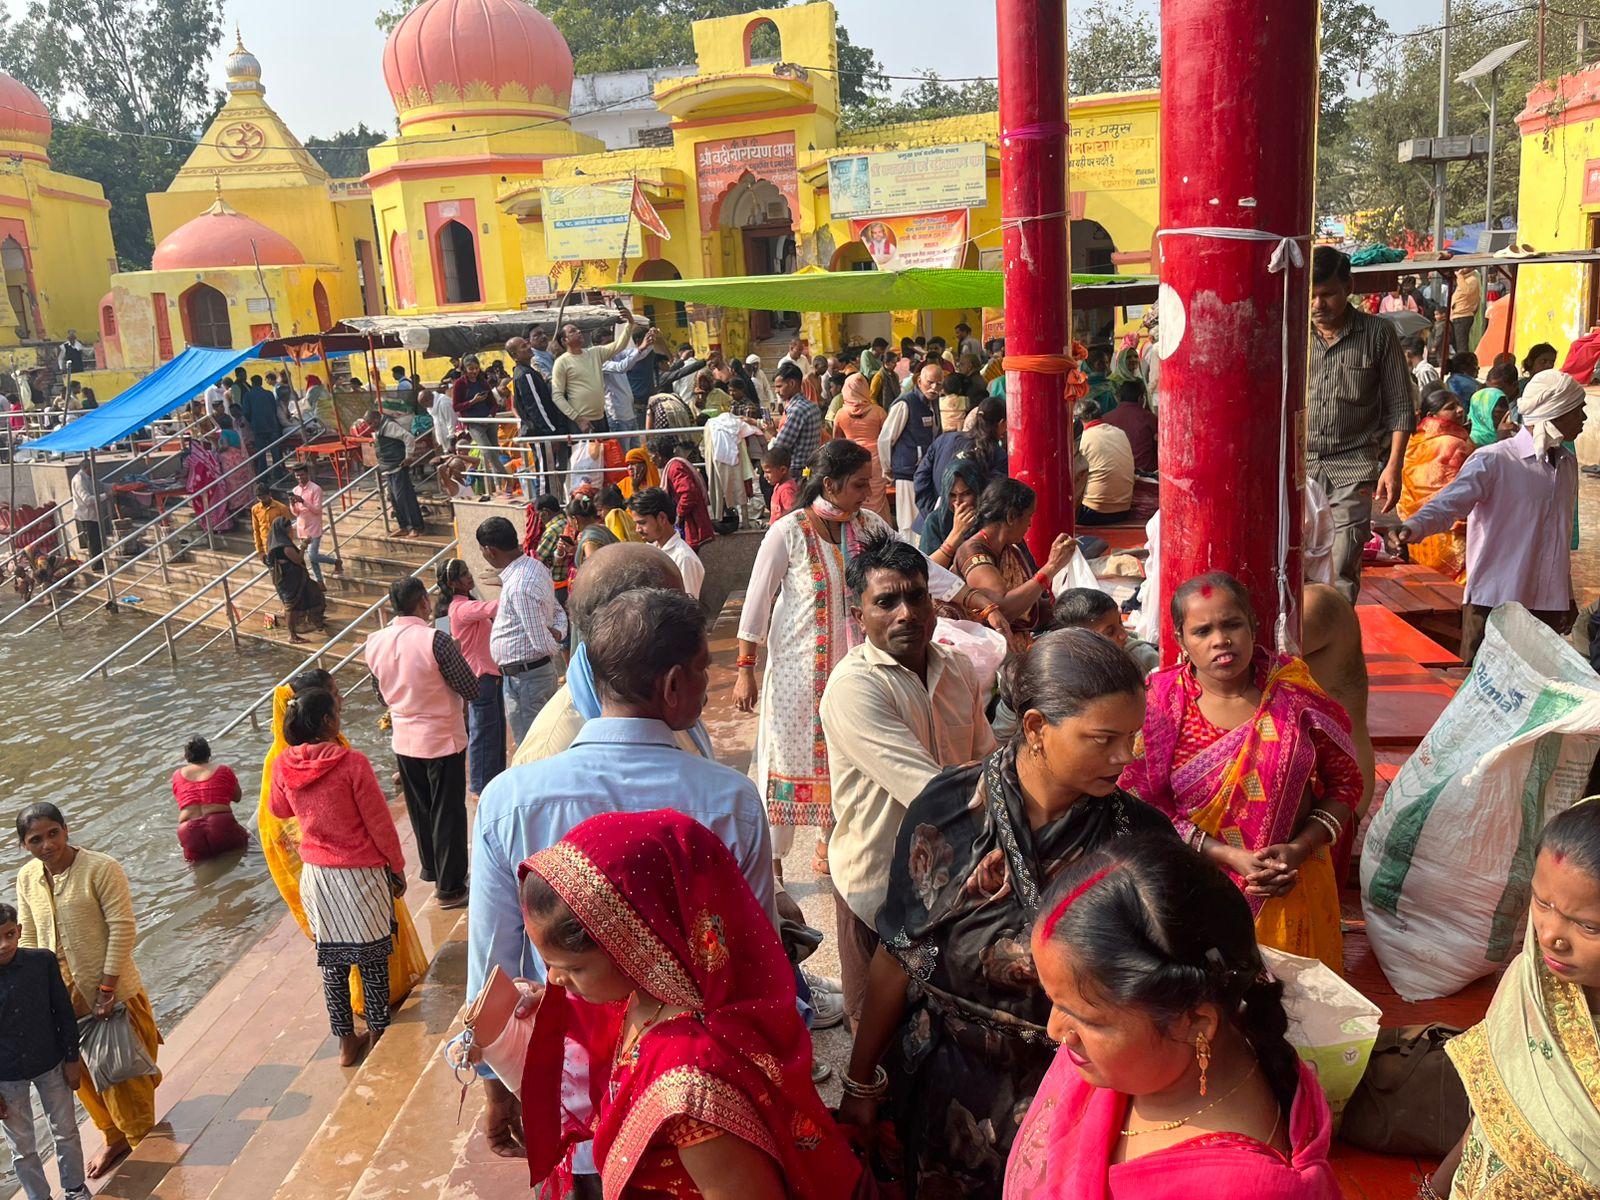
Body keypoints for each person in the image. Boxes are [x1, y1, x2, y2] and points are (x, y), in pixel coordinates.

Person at [838, 631, 1176, 1195]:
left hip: (1076, 1093)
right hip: (945, 1084)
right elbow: (898, 956)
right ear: (1037, 727)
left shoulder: (1136, 838)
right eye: (1104, 738)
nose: (1127, 757)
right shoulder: (949, 810)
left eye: (1133, 737)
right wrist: (860, 1081)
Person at [469, 590, 777, 1168]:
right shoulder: (727, 800)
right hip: (698, 1107)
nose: (708, 687)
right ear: (672, 686)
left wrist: (495, 1084)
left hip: (573, 1103)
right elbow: (754, 963)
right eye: (702, 671)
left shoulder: (509, 800)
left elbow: (494, 970)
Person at [516, 810, 855, 1198]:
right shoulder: (648, 996)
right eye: (551, 965)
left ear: (634, 944)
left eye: (572, 967)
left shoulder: (694, 1088)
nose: (556, 980)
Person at [1006, 835, 1341, 1198]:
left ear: (1196, 1023)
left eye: (1086, 1018)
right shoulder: (1142, 1055)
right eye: (1053, 999)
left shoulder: (1236, 1190)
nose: (1055, 1031)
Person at [736, 440, 1003, 871]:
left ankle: (831, 841)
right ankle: (773, 863)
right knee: (789, 760)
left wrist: (970, 596)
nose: (867, 491)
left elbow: (915, 565)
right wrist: (745, 667)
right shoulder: (788, 531)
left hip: (861, 670)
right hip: (799, 675)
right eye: (860, 484)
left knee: (848, 760)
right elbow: (757, 599)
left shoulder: (870, 525)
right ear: (830, 484)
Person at [1121, 572, 1361, 971]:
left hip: (1290, 885)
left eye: (1231, 624)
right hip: (1195, 889)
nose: (1220, 640)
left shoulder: (1295, 698)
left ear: (1252, 626)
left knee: (1295, 1015)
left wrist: (1299, 850)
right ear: (1181, 640)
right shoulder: (1160, 708)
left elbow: (1347, 783)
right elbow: (1141, 806)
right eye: (1202, 631)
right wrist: (1229, 855)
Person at [820, 531, 995, 1027]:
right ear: (860, 617)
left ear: (933, 604)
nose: (906, 613)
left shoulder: (956, 668)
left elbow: (988, 759)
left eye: (916, 596)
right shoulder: (854, 689)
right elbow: (934, 793)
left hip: (953, 881)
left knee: (939, 1032)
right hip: (878, 887)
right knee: (878, 1039)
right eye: (886, 601)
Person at [1431, 800, 1600, 1199]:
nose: (1550, 935)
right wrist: (1436, 1189)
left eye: (1588, 925)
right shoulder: (1531, 983)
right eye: (1543, 903)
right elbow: (1496, 1105)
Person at [258, 670, 427, 1031]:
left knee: (332, 962)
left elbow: (279, 810)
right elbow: (380, 825)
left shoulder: (283, 764)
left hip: (318, 878)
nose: (340, 714)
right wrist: (396, 868)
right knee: (373, 958)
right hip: (361, 874)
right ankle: (378, 1030)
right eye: (335, 710)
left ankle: (345, 1039)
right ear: (325, 721)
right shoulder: (352, 764)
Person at [1394, 368, 1586, 662]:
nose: (1584, 418)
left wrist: (1567, 595)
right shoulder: (1494, 460)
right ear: (1556, 413)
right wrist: (1413, 527)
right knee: (1477, 693)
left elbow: (1558, 539)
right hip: (1495, 600)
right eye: (1578, 410)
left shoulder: (1566, 464)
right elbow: (1449, 503)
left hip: (1545, 605)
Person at [15, 803, 161, 1179]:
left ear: (66, 830)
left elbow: (123, 928)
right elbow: (28, 936)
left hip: (110, 990)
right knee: (79, 1077)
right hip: (59, 995)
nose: (47, 844)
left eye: (53, 833)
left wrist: (107, 987)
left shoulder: (101, 868)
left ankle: (145, 1144)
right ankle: (113, 1136)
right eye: (36, 839)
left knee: (121, 1073)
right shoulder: (28, 877)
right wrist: (33, 994)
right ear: (23, 845)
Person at [1306, 246, 1414, 602]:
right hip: (1298, 468)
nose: (1319, 304)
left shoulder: (1378, 334)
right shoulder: (1293, 332)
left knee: (1339, 571)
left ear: (1348, 287)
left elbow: (1400, 406)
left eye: (1328, 294)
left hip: (1353, 469)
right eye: (1312, 296)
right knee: (1294, 568)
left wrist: (1393, 467)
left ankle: (1334, 654)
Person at [365, 577, 479, 908]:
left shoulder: (374, 641)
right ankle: (451, 886)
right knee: (448, 812)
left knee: (421, 810)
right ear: (424, 603)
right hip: (441, 736)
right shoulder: (437, 641)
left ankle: (432, 870)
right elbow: (470, 687)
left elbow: (379, 694)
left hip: (404, 737)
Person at [0, 897, 90, 1200]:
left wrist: (72, 1058)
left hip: (51, 1062)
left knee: (65, 1130)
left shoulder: (42, 962)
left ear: (19, 930)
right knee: (22, 1146)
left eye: (9, 934)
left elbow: (63, 1011)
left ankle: (75, 1189)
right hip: (6, 1075)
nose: (2, 944)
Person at [480, 515, 566, 745]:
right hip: (528, 675)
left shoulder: (519, 585)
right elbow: (558, 611)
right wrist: (558, 631)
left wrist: (554, 639)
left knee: (532, 747)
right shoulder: (534, 567)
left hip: (527, 679)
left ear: (489, 550)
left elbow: (543, 644)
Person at [955, 478, 1078, 634]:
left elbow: (1033, 606)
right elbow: (1001, 610)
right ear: (1011, 517)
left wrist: (1073, 605)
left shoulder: (1011, 549)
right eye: (1029, 516)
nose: (1030, 524)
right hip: (983, 646)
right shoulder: (973, 552)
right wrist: (1052, 567)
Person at [435, 558, 504, 799]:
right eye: (463, 575)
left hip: (486, 674)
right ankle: (479, 786)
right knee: (484, 733)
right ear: (452, 583)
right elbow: (495, 607)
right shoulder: (461, 608)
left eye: (468, 572)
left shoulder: (446, 610)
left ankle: (490, 781)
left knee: (492, 732)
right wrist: (505, 582)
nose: (469, 577)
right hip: (480, 676)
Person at [1398, 387, 1475, 582]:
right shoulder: (1455, 443)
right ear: (1433, 415)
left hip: (1418, 532)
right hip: (1449, 533)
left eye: (1458, 405)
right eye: (1451, 407)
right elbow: (1465, 492)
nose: (1459, 410)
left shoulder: (1412, 441)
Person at [913, 394, 1007, 522]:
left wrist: (932, 512)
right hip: (968, 529)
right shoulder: (997, 455)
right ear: (1002, 423)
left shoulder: (944, 439)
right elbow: (993, 496)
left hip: (928, 524)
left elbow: (920, 476)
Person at [551, 301, 636, 434]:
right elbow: (557, 396)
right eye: (573, 331)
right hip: (581, 422)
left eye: (578, 329)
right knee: (586, 455)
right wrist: (578, 419)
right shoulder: (562, 362)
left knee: (605, 453)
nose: (579, 332)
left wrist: (630, 323)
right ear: (564, 341)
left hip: (601, 418)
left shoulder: (594, 353)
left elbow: (619, 345)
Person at [171, 736, 248, 863]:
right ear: (209, 753)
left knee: (197, 867)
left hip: (188, 831)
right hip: (220, 824)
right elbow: (237, 797)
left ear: (187, 756)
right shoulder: (223, 770)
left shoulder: (177, 775)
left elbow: (182, 800)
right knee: (242, 852)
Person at [629, 485, 705, 600]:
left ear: (662, 518)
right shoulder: (650, 550)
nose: (638, 529)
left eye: (643, 523)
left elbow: (688, 608)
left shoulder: (683, 558)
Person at [831, 373, 890, 520]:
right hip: (876, 460)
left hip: (850, 460)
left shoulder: (840, 414)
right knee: (876, 496)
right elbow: (888, 439)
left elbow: (836, 441)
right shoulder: (878, 412)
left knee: (855, 494)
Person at [1075, 395, 1137, 524]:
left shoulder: (1084, 437)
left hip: (1092, 512)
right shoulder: (1120, 432)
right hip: (1123, 511)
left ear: (1078, 420)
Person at [265, 516, 327, 644]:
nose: (290, 530)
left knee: (314, 595)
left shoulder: (274, 543)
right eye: (289, 528)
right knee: (291, 607)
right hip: (290, 582)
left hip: (293, 580)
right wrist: (304, 545)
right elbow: (298, 559)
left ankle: (315, 621)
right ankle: (293, 635)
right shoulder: (284, 546)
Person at [649, 435, 716, 551]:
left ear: (659, 455)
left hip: (691, 523)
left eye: (652, 455)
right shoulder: (674, 466)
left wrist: (679, 516)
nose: (651, 460)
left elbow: (689, 493)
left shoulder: (675, 468)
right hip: (689, 523)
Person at [367, 407, 426, 538]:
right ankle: (403, 526)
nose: (370, 426)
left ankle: (415, 527)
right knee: (394, 499)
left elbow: (408, 437)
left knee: (404, 498)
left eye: (371, 423)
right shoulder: (379, 429)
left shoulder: (389, 425)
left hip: (398, 466)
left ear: (377, 419)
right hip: (388, 468)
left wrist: (408, 457)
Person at [451, 355, 509, 484]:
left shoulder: (482, 382)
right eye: (471, 369)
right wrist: (472, 401)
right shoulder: (459, 384)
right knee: (488, 452)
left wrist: (490, 416)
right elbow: (455, 406)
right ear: (465, 369)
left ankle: (498, 484)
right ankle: (507, 479)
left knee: (495, 450)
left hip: (489, 421)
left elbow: (493, 403)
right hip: (473, 423)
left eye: (476, 368)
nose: (474, 371)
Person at [919, 457, 985, 568]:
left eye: (966, 493)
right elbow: (926, 571)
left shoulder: (988, 518)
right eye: (952, 496)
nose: (958, 502)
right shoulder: (935, 521)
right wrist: (956, 533)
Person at [768, 361, 822, 483]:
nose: (776, 391)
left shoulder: (797, 410)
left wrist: (772, 434)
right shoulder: (812, 406)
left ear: (792, 383)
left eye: (779, 386)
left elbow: (780, 446)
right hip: (809, 468)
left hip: (796, 472)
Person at [289, 462, 340, 583]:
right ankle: (320, 582)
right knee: (312, 559)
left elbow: (317, 510)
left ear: (307, 474)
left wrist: (303, 501)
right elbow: (295, 513)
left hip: (314, 527)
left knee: (312, 555)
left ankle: (335, 561)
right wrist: (292, 504)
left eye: (301, 475)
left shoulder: (315, 489)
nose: (299, 478)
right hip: (302, 527)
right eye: (297, 476)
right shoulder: (295, 490)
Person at [1101, 377, 1159, 474]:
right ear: (1141, 398)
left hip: (1114, 473)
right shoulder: (1149, 418)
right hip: (1146, 472)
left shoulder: (1105, 418)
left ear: (1119, 398)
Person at [184, 435, 235, 533]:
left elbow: (185, 472)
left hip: (201, 488)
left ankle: (210, 528)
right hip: (216, 485)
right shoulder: (209, 455)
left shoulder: (190, 459)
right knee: (219, 507)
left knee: (206, 508)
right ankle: (222, 527)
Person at [242, 373, 287, 480]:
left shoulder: (248, 396)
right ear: (261, 382)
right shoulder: (269, 394)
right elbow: (274, 409)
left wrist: (252, 421)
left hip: (258, 427)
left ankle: (264, 475)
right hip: (272, 425)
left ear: (252, 383)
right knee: (275, 452)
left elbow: (246, 412)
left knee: (261, 453)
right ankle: (278, 473)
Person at [564, 490, 618, 572]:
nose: (570, 525)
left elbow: (594, 571)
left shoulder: (589, 541)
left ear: (575, 520)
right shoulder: (602, 528)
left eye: (570, 521)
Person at [1468, 362, 1520, 447]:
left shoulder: (1523, 410)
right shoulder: (1471, 440)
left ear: (1514, 386)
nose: (1491, 394)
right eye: (1488, 389)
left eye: (1498, 390)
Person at [71, 458, 105, 562]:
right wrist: (105, 496)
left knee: (97, 541)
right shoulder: (79, 480)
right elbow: (87, 499)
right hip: (86, 515)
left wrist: (114, 487)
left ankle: (99, 563)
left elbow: (101, 486)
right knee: (93, 542)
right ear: (87, 468)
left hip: (93, 514)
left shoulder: (90, 478)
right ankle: (96, 565)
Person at [760, 444, 798, 523]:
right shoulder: (779, 485)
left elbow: (792, 517)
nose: (765, 476)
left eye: (768, 472)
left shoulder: (787, 491)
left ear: (783, 470)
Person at [1451, 266, 1482, 351]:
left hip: (1463, 315)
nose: (1461, 269)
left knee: (1462, 345)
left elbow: (1466, 291)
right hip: (1458, 315)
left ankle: (1463, 363)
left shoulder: (1472, 279)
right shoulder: (1465, 280)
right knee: (1457, 343)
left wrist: (1460, 276)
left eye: (1465, 267)